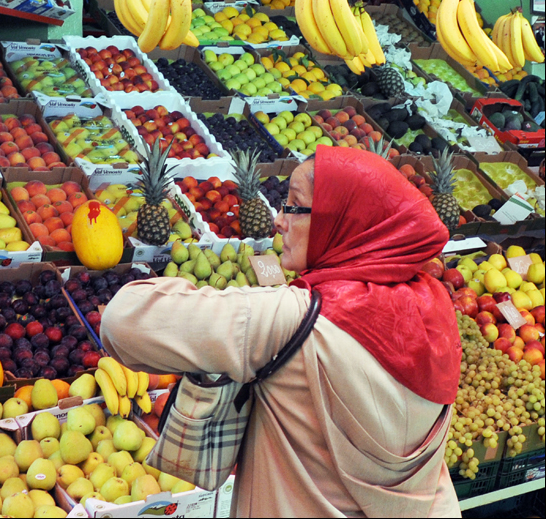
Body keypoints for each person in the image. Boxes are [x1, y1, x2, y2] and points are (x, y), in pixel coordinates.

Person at [100, 145, 463, 517]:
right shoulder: (435, 307)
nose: (279, 219)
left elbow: (121, 320)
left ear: (341, 220)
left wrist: (238, 297)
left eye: (294, 206)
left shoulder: (293, 317)